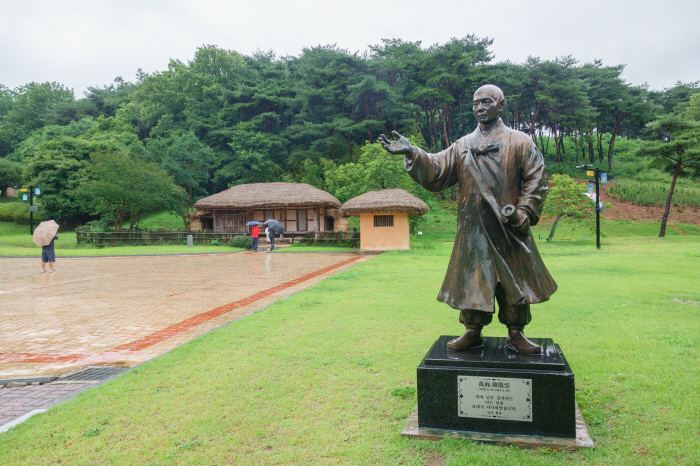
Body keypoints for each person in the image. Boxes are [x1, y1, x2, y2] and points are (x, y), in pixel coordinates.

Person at [379, 84, 557, 354]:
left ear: (502, 105)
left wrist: (524, 212)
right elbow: (437, 168)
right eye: (475, 104)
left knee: (514, 281)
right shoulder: (463, 145)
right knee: (472, 281)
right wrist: (413, 152)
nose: (480, 108)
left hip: (508, 226)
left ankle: (516, 333)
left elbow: (537, 178)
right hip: (473, 230)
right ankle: (472, 331)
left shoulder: (520, 141)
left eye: (486, 102)